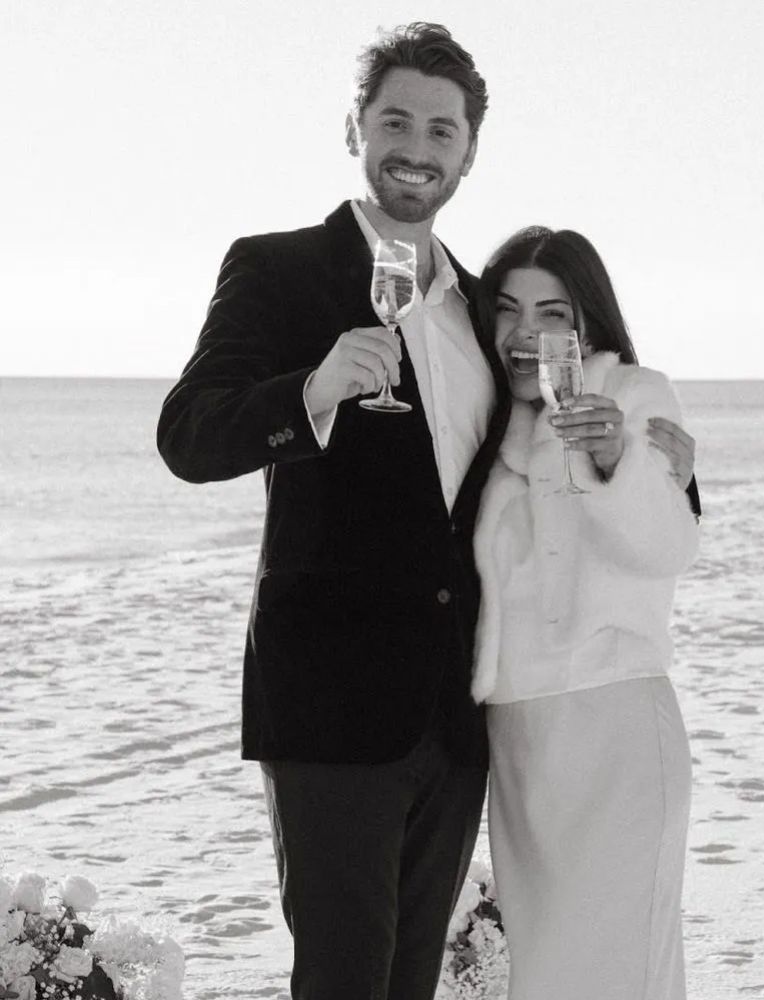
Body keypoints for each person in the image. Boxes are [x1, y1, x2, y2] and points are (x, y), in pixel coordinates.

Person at [157, 23, 510, 1000]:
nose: (417, 147)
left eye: (442, 130)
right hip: (330, 702)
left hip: (455, 711)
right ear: (354, 127)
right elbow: (189, 434)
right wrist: (311, 394)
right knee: (344, 980)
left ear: (468, 151)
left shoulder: (485, 312)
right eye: (394, 120)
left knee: (408, 983)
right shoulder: (276, 270)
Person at [471, 227, 700, 1000]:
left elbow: (669, 546)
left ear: (586, 321)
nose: (527, 335)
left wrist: (617, 462)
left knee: (620, 969)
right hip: (519, 736)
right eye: (507, 311)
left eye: (553, 313)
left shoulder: (634, 395)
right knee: (546, 976)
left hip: (616, 722)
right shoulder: (486, 421)